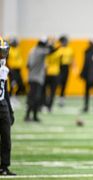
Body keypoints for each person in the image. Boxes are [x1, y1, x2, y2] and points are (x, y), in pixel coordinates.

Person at [0, 37, 16, 175]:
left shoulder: (4, 68)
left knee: (6, 137)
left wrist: (10, 110)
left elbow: (5, 90)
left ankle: (4, 167)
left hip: (2, 104)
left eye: (4, 51)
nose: (3, 54)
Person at [24, 38, 49, 122]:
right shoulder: (40, 51)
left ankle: (31, 116)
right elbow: (51, 50)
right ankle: (30, 116)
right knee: (35, 98)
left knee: (32, 97)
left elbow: (27, 65)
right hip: (37, 78)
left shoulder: (32, 51)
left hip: (31, 77)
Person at [57, 35, 74, 107]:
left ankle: (62, 99)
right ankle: (57, 97)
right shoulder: (58, 49)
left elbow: (71, 60)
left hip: (66, 68)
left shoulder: (70, 50)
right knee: (57, 84)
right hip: (59, 68)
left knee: (64, 84)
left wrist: (73, 67)